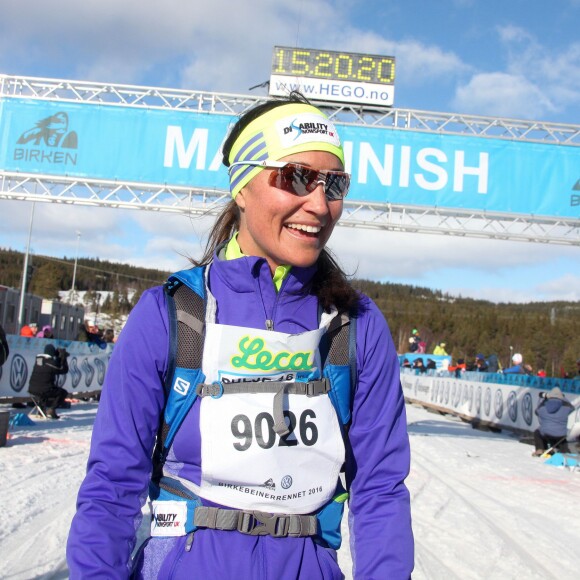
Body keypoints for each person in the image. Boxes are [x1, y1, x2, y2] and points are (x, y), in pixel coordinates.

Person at [67, 94, 414, 578]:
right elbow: (111, 484)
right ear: (243, 187)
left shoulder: (354, 323)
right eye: (295, 177)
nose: (318, 204)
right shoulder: (171, 314)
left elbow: (379, 489)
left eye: (334, 185)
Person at [27, 344, 70, 419]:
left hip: (32, 389)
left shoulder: (39, 360)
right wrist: (63, 358)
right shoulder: (50, 362)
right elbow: (63, 370)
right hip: (44, 389)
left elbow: (53, 366)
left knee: (45, 387)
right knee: (63, 392)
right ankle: (52, 409)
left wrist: (58, 358)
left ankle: (41, 410)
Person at [532, 387, 575, 456]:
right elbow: (572, 407)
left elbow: (536, 411)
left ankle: (540, 449)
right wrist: (563, 397)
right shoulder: (566, 407)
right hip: (561, 435)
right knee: (560, 436)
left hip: (547, 433)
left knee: (537, 432)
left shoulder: (543, 407)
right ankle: (564, 452)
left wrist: (543, 398)